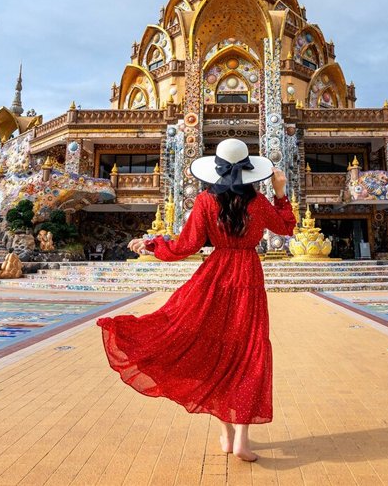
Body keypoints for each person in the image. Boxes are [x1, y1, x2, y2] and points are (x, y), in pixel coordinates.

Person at [97, 139, 295, 462]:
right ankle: (242, 440)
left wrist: (152, 245)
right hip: (247, 277)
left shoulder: (205, 201)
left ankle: (226, 435)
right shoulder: (258, 202)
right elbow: (286, 227)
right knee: (248, 352)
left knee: (214, 351)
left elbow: (185, 246)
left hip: (214, 277)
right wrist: (280, 192)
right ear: (249, 172)